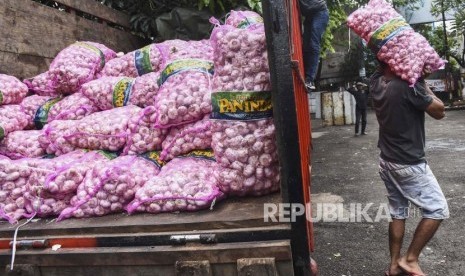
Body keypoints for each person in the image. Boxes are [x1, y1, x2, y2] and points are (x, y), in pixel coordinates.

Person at [370, 61, 449, 276]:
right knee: (437, 209)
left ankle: (394, 265)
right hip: (409, 163)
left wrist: (415, 77)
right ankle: (411, 259)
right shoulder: (409, 86)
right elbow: (439, 110)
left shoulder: (375, 81)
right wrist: (421, 80)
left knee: (398, 213)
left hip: (387, 161)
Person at [299, 0, 329, 91]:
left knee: (313, 45)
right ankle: (305, 75)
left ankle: (310, 80)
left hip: (320, 12)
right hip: (309, 15)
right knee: (305, 48)